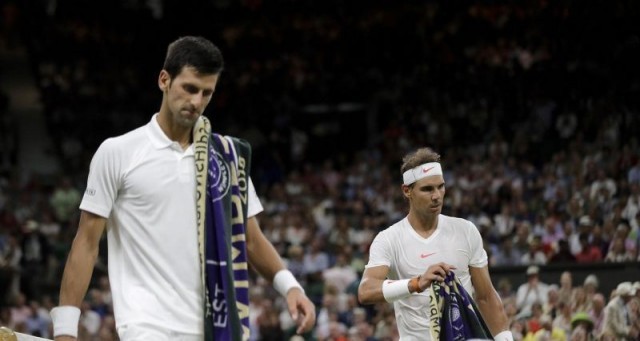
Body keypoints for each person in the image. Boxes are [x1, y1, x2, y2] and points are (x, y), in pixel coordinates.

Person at [49, 36, 315, 341]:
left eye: (207, 93)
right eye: (189, 88)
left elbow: (251, 239)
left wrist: (291, 287)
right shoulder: (118, 152)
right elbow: (86, 242)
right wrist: (66, 330)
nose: (197, 102)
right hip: (146, 327)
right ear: (164, 79)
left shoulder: (226, 158)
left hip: (215, 325)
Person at [357, 147, 513, 340]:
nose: (437, 196)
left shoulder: (466, 230)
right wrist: (416, 283)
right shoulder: (389, 238)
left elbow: (486, 296)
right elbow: (366, 290)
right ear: (407, 191)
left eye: (441, 186)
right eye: (427, 189)